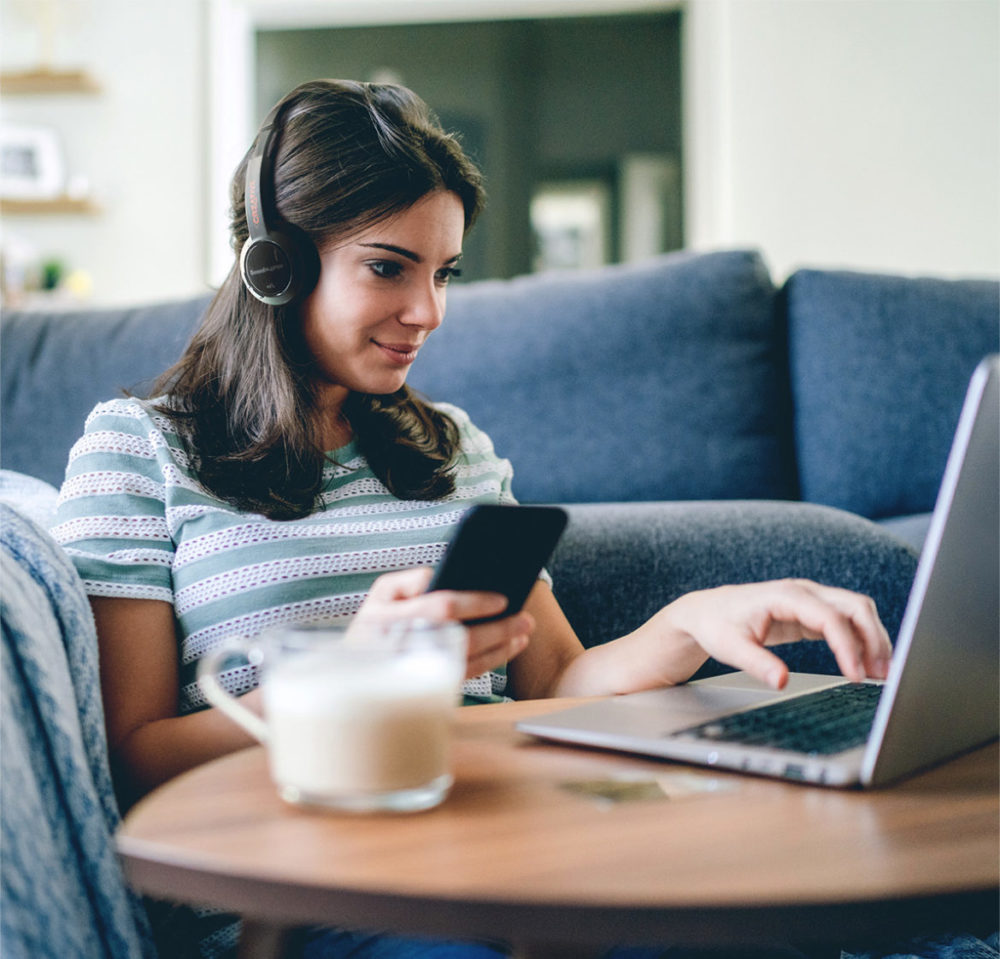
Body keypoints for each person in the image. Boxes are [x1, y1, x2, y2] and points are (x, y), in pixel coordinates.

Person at [53, 79, 890, 959]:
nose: (430, 312)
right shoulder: (137, 450)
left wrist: (690, 623)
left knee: (757, 937)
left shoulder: (453, 447)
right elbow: (129, 759)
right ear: (278, 263)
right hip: (319, 894)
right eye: (389, 267)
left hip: (517, 852)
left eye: (443, 271)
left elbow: (556, 682)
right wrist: (349, 674)